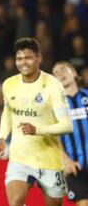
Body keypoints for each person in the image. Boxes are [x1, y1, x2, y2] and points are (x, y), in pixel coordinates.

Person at [0, 37, 73, 206]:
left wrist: (37, 129)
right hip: (19, 158)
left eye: (28, 58)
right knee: (15, 201)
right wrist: (2, 138)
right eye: (19, 59)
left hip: (49, 160)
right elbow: (8, 112)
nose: (24, 63)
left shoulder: (53, 85)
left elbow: (66, 125)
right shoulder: (9, 84)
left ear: (39, 58)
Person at [52, 61, 88, 206]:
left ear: (74, 73)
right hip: (74, 168)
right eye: (56, 73)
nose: (60, 73)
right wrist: (65, 160)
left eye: (63, 69)